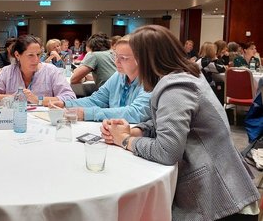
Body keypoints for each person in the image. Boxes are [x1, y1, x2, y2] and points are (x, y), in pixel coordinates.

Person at [101, 25, 260, 221]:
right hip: (226, 190)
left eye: (128, 58)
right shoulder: (185, 76)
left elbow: (167, 152)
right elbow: (164, 121)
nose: (121, 64)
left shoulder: (176, 88)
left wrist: (125, 140)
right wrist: (137, 131)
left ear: (147, 59)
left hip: (222, 203)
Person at [53, 36, 151, 123]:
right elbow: (96, 100)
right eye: (115, 56)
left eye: (123, 58)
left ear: (141, 59)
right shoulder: (118, 76)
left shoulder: (151, 80)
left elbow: (136, 113)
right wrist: (65, 104)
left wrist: (86, 113)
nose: (116, 62)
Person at [0, 35, 76, 104]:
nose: (36, 60)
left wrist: (38, 99)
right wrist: (12, 98)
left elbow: (70, 97)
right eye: (30, 55)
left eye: (38, 55)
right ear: (17, 55)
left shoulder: (51, 71)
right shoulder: (7, 72)